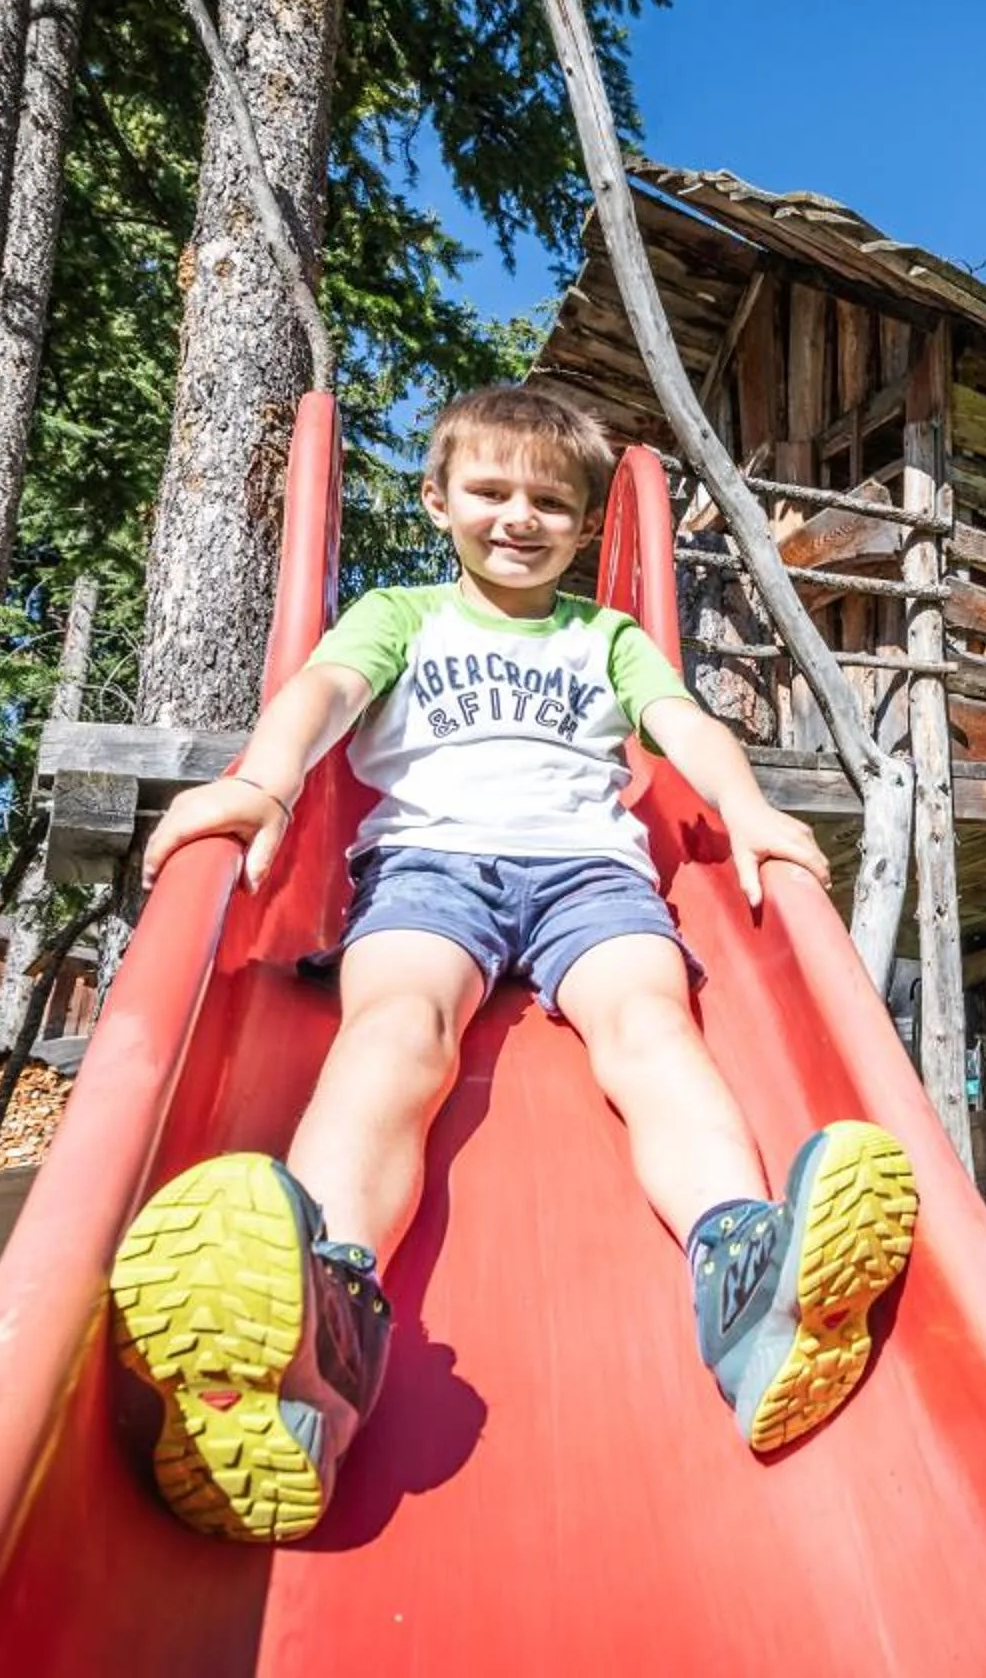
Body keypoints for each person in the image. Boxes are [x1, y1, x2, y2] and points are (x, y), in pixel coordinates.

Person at [104, 383, 918, 1545]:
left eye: (550, 500)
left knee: (651, 1024)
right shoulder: (401, 615)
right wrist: (263, 782)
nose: (518, 517)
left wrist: (746, 813)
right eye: (490, 491)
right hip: (431, 867)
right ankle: (320, 1310)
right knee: (397, 1031)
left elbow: (686, 726)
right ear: (439, 500)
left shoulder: (604, 635)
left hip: (590, 870)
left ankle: (743, 1273)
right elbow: (323, 693)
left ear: (586, 526)